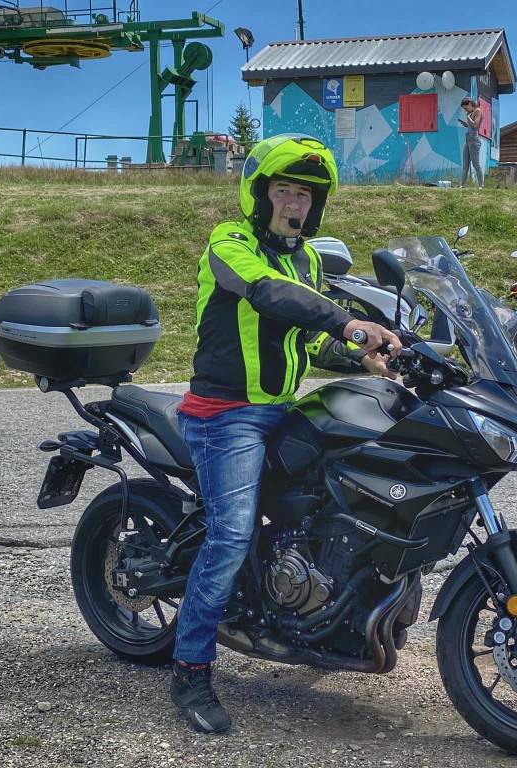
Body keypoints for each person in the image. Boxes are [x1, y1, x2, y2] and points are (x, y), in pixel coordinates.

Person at [171, 134, 401, 734]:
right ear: (259, 193)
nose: (294, 203)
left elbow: (310, 338)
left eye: (304, 194)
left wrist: (362, 357)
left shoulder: (308, 261)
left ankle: (314, 605)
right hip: (225, 414)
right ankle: (190, 669)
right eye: (283, 190)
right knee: (230, 535)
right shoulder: (230, 242)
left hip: (281, 407)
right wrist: (350, 324)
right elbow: (268, 294)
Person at [458, 98, 484, 188]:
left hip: (474, 140)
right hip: (468, 139)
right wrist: (466, 124)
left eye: (465, 108)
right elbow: (471, 126)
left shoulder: (478, 111)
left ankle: (480, 185)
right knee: (465, 164)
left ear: (469, 104)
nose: (465, 110)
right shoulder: (471, 113)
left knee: (476, 164)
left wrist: (468, 117)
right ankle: (462, 185)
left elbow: (475, 125)